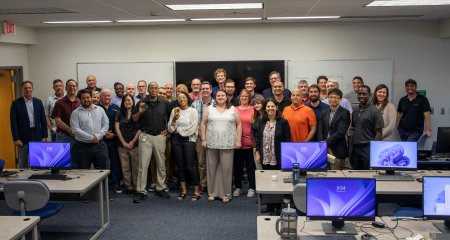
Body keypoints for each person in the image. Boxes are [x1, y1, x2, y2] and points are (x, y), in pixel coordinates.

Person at [132, 82, 172, 203]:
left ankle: (160, 188)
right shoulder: (142, 102)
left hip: (160, 136)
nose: (154, 90)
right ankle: (141, 191)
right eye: (151, 88)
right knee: (143, 165)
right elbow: (134, 119)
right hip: (145, 136)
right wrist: (139, 111)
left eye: (156, 88)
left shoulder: (165, 103)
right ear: (148, 90)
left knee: (161, 164)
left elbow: (172, 119)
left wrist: (169, 132)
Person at [200, 89, 242, 203]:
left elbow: (239, 125)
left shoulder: (233, 109)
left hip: (228, 143)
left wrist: (238, 141)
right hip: (211, 143)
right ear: (215, 97)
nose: (220, 97)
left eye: (222, 95)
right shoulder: (209, 109)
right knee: (212, 168)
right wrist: (203, 139)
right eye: (218, 95)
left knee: (226, 169)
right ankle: (212, 193)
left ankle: (226, 194)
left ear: (226, 97)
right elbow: (203, 123)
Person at [254, 99, 290, 214]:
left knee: (278, 181)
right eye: (268, 106)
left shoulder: (283, 122)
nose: (270, 108)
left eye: (272, 106)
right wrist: (258, 153)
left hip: (278, 157)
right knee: (267, 181)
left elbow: (287, 141)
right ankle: (269, 204)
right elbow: (258, 139)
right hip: (265, 156)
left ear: (276, 107)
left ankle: (277, 206)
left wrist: (285, 157)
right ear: (265, 108)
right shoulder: (261, 121)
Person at [168, 91, 201, 201]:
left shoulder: (193, 111)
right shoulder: (175, 110)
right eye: (179, 98)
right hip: (176, 140)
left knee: (190, 166)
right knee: (180, 166)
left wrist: (179, 130)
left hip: (189, 140)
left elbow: (192, 129)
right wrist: (174, 119)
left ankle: (197, 191)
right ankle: (184, 190)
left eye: (184, 97)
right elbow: (170, 128)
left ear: (187, 98)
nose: (182, 99)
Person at [10, 81, 48, 168]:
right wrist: (16, 138)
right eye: (25, 88)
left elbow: (43, 120)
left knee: (38, 160)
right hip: (23, 137)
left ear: (32, 89)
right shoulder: (16, 104)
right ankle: (22, 180)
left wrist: (44, 136)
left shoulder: (38, 102)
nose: (28, 90)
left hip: (37, 135)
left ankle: (37, 178)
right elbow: (13, 122)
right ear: (22, 90)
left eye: (29, 88)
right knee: (23, 161)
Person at [70, 89, 109, 170]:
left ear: (91, 97)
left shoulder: (100, 110)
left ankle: (102, 183)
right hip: (82, 147)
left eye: (88, 97)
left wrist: (98, 136)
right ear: (79, 99)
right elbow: (75, 129)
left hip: (99, 145)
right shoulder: (75, 113)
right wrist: (91, 138)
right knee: (83, 172)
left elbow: (106, 124)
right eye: (83, 98)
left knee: (102, 171)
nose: (86, 100)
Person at [351, 85, 384, 170]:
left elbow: (379, 133)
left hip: (368, 148)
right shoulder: (355, 110)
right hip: (355, 148)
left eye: (364, 94)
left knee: (367, 174)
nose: (361, 96)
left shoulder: (375, 111)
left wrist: (374, 150)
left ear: (370, 95)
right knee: (355, 174)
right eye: (359, 93)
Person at [317, 88, 351, 170]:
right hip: (324, 148)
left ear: (340, 99)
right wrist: (321, 143)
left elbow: (341, 132)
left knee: (336, 174)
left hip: (337, 148)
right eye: (331, 97)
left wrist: (326, 142)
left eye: (336, 97)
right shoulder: (324, 112)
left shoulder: (345, 113)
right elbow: (320, 129)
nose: (333, 99)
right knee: (324, 173)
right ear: (328, 98)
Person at [191, 81, 215, 194]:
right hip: (199, 138)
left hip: (215, 139)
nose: (205, 90)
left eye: (207, 89)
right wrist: (202, 135)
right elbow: (193, 122)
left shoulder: (216, 103)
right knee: (201, 163)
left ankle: (214, 184)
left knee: (214, 163)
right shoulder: (195, 104)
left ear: (211, 90)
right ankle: (204, 184)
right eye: (203, 89)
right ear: (201, 91)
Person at [52, 79, 81, 167]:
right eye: (70, 86)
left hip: (78, 137)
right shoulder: (59, 103)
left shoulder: (80, 102)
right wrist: (70, 130)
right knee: (63, 163)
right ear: (66, 88)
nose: (72, 87)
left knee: (77, 162)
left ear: (76, 88)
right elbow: (57, 120)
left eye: (74, 86)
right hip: (63, 137)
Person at [115, 94, 140, 194]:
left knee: (136, 166)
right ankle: (128, 186)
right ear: (123, 102)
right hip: (122, 144)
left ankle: (136, 185)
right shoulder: (119, 113)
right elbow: (117, 128)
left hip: (135, 144)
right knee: (125, 167)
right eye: (125, 100)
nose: (127, 102)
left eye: (129, 100)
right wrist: (124, 142)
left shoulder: (137, 113)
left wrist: (132, 142)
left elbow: (140, 129)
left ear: (133, 101)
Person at [233, 90, 256, 198]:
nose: (244, 97)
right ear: (239, 97)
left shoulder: (253, 109)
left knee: (251, 167)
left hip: (250, 143)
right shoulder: (234, 110)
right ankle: (238, 187)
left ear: (249, 98)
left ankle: (251, 187)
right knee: (238, 167)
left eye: (246, 96)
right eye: (242, 96)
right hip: (237, 143)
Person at [99, 89, 122, 193]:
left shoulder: (116, 108)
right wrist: (103, 134)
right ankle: (102, 185)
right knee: (101, 163)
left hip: (114, 139)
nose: (107, 97)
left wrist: (114, 134)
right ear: (100, 97)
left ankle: (115, 183)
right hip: (101, 140)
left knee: (115, 162)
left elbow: (122, 124)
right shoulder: (96, 108)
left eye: (108, 96)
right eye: (104, 96)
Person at [251, 95, 265, 170]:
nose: (256, 105)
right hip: (256, 147)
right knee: (259, 169)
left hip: (266, 147)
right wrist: (255, 147)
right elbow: (252, 133)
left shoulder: (267, 116)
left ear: (263, 104)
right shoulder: (255, 117)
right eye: (255, 104)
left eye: (259, 103)